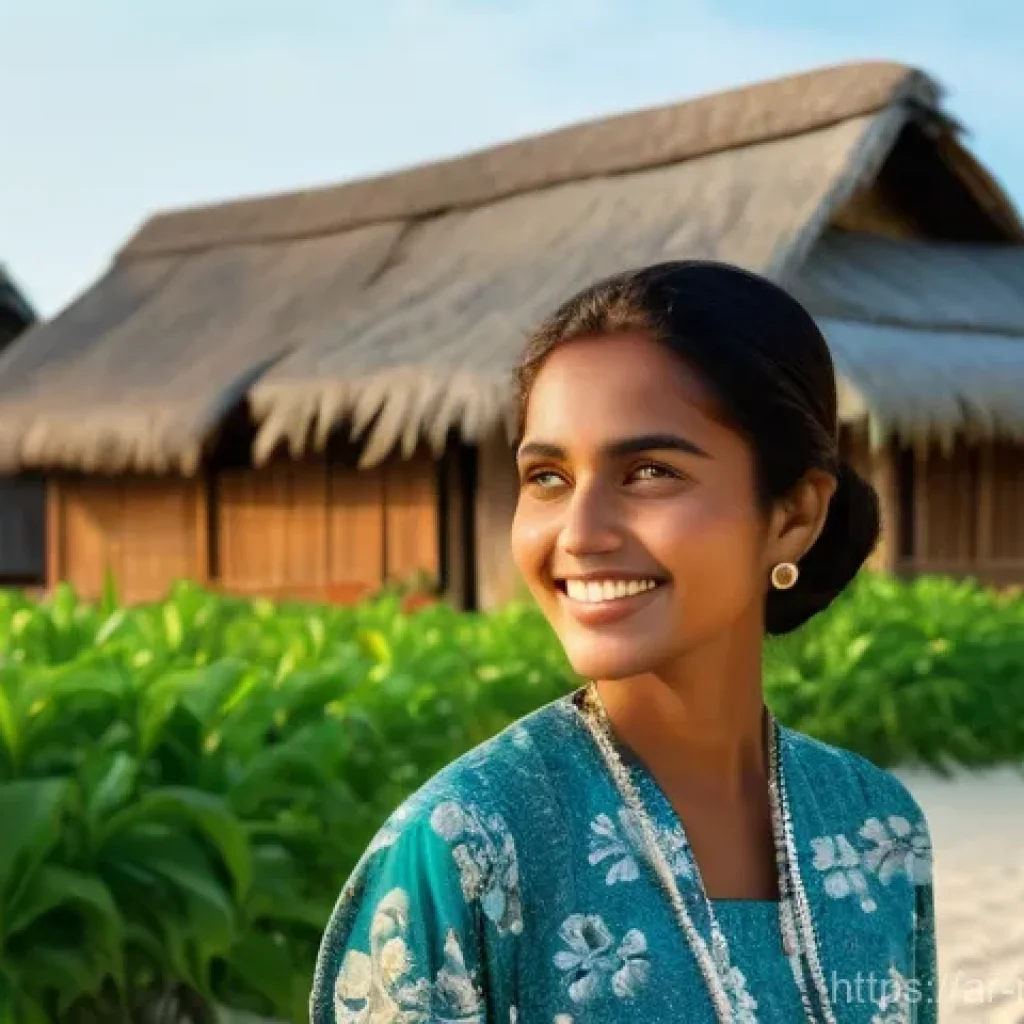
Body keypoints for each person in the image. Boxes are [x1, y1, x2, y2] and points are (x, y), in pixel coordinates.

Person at [310, 262, 938, 1023]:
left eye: (647, 471)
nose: (579, 533)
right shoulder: (464, 849)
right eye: (546, 477)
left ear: (793, 515)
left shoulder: (878, 826)